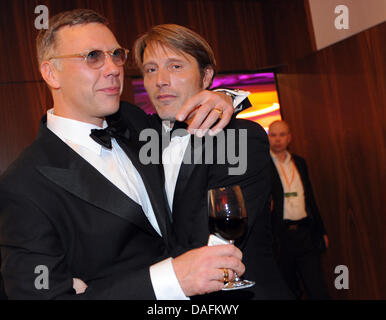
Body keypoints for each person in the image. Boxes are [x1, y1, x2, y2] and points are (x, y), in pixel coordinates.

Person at [0, 9, 245, 299]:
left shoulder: (132, 122)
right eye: (93, 56)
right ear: (51, 73)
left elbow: (186, 117)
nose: (114, 68)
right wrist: (170, 280)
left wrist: (225, 96)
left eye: (116, 54)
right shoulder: (23, 185)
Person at [127, 24, 294, 299]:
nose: (161, 80)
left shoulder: (241, 138)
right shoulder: (143, 137)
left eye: (176, 66)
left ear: (206, 77)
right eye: (151, 69)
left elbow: (214, 243)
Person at [268, 120, 329, 299]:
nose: (278, 139)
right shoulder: (263, 165)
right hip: (279, 237)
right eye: (273, 135)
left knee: (317, 288)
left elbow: (310, 198)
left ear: (289, 138)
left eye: (282, 135)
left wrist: (321, 230)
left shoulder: (300, 162)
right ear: (268, 138)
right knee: (288, 289)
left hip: (305, 233)